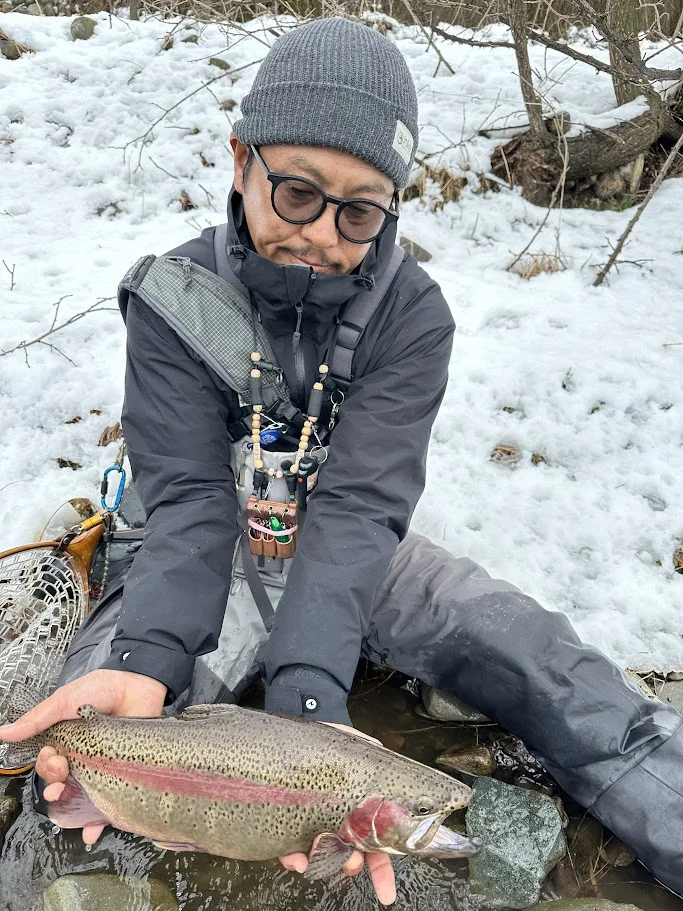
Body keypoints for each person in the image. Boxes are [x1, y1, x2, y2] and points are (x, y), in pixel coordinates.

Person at [1, 16, 682, 907]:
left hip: (351, 550)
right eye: (296, 193)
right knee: (76, 761)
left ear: (390, 208)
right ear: (240, 161)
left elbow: (362, 508)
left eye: (358, 210)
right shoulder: (173, 304)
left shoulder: (413, 317)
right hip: (193, 555)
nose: (321, 232)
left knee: (547, 662)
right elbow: (190, 506)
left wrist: (311, 704)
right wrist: (149, 650)